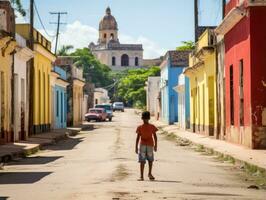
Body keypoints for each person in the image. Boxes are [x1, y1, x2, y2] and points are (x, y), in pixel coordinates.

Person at [135, 111, 158, 181]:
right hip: (144, 145)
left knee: (149, 161)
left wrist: (156, 145)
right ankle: (143, 176)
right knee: (143, 161)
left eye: (146, 119)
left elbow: (155, 136)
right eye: (145, 119)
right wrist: (136, 147)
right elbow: (138, 137)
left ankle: (148, 174)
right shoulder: (141, 127)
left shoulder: (151, 127)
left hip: (148, 145)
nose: (145, 120)